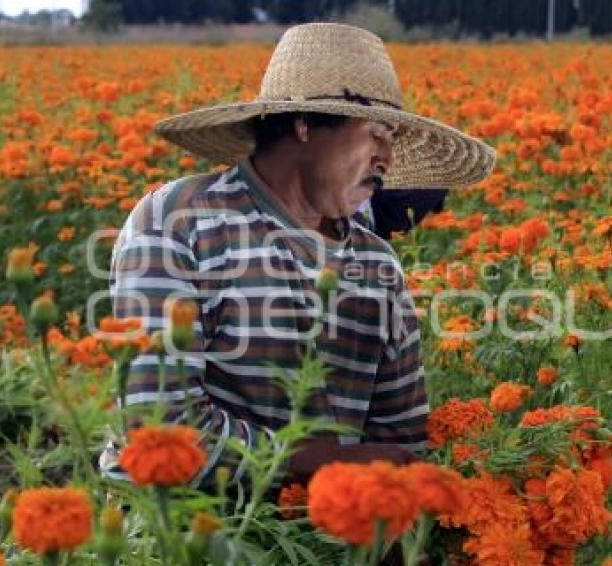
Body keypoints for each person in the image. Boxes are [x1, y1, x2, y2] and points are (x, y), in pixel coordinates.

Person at [99, 22, 495, 488]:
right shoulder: (180, 222)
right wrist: (321, 463)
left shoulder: (378, 266)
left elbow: (399, 442)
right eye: (376, 134)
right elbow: (159, 434)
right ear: (304, 124)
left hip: (326, 536)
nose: (387, 159)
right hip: (182, 534)